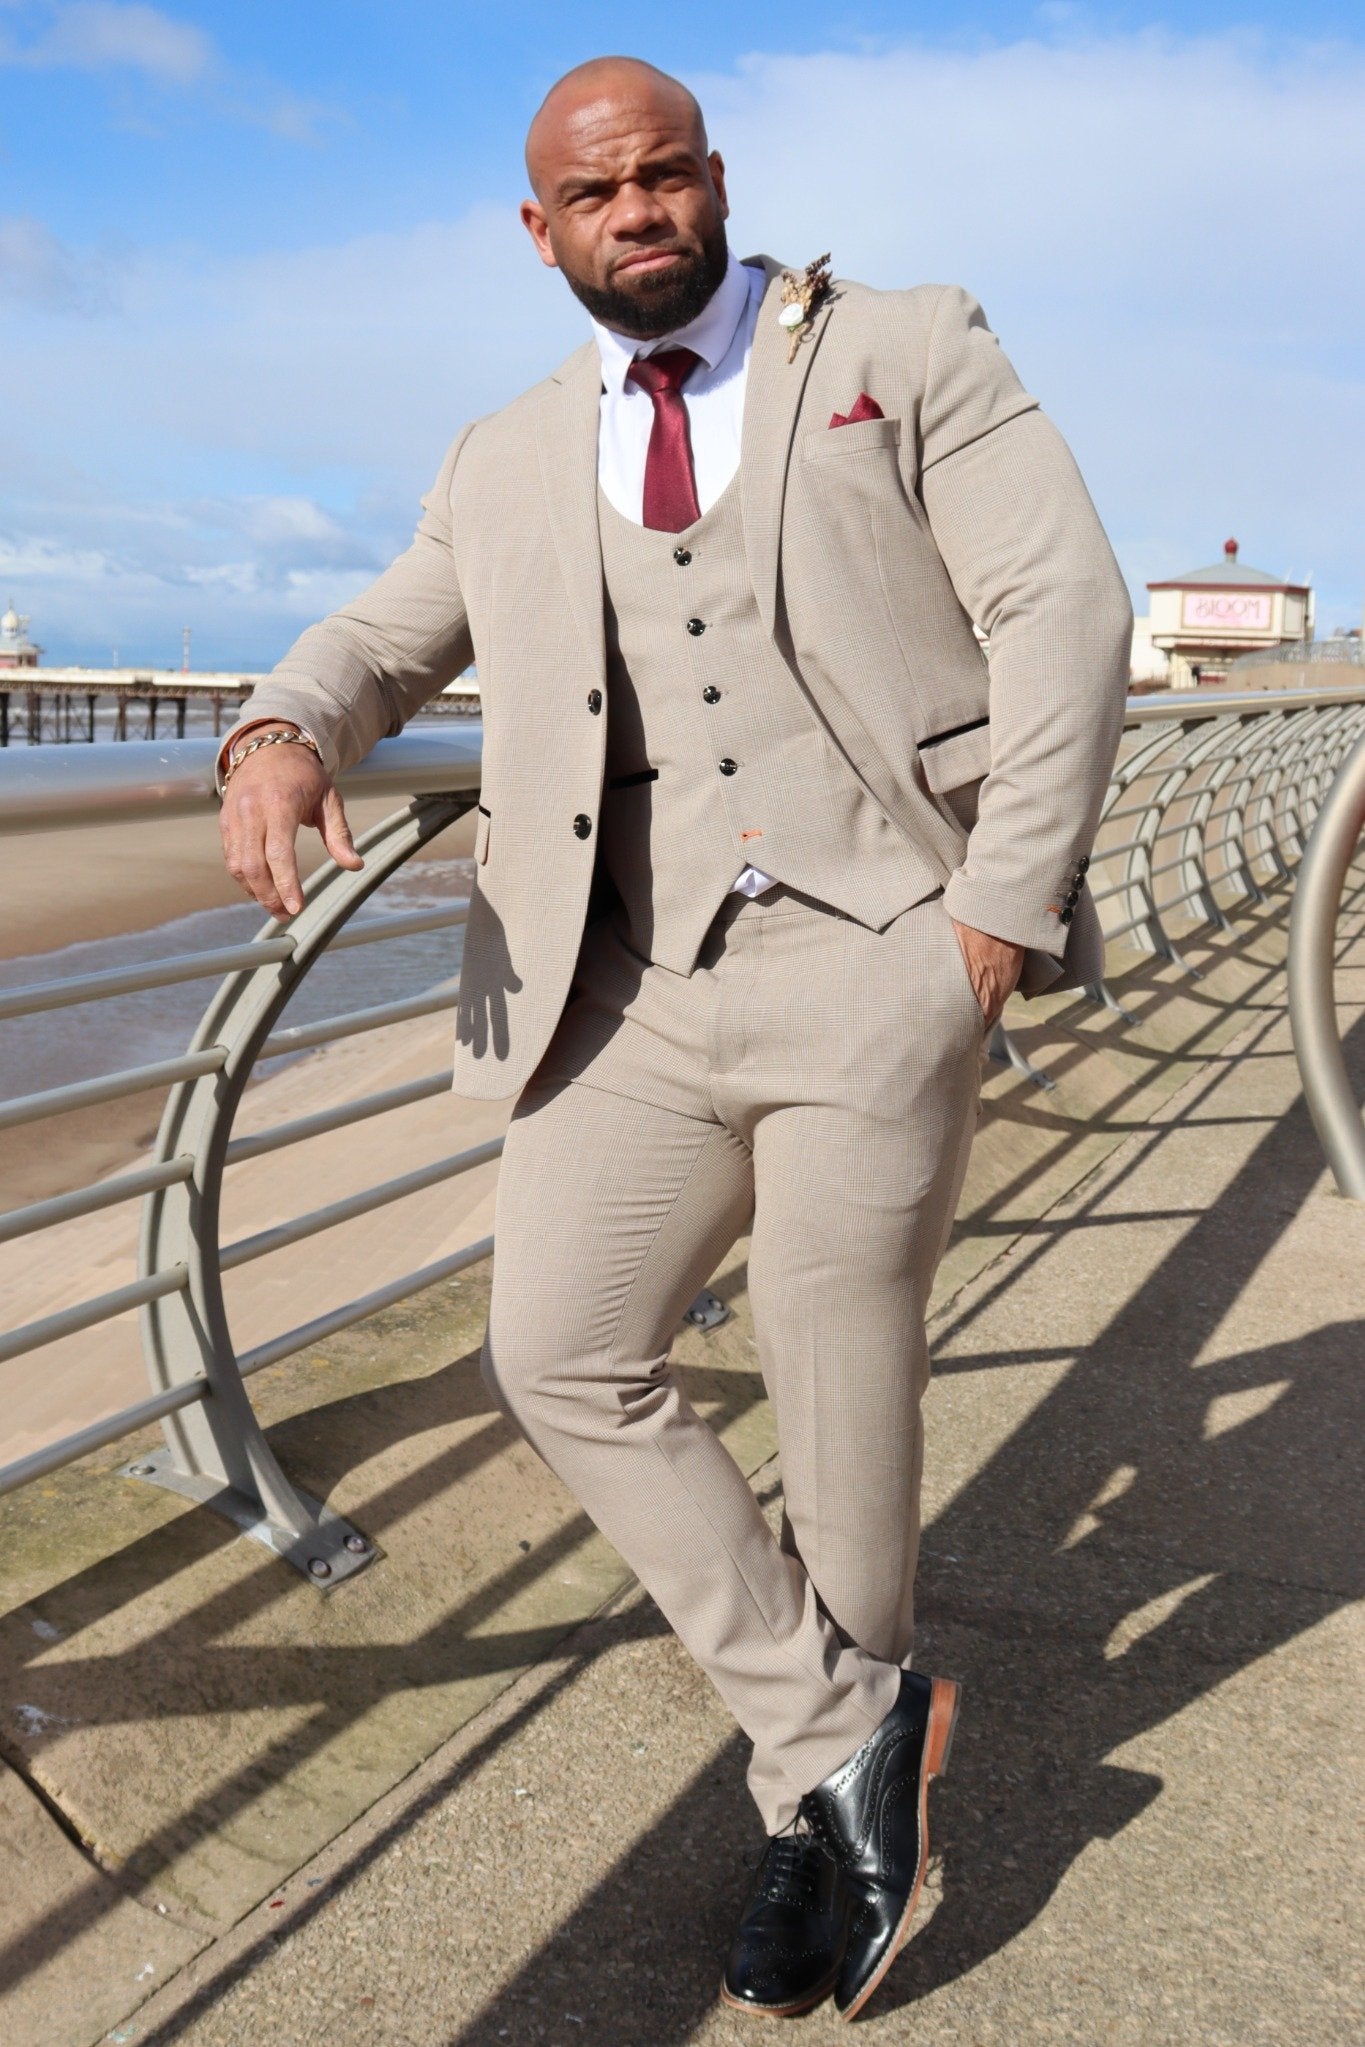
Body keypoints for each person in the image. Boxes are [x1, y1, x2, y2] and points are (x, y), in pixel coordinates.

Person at [217, 55, 1131, 2021]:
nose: (637, 211)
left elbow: (1059, 607)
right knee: (553, 1348)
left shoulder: (902, 342)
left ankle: (817, 1824)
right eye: (594, 193)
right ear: (535, 228)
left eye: (665, 175)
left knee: (832, 1392)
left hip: (882, 945)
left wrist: (994, 910)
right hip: (615, 985)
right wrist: (281, 732)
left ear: (712, 181)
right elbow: (382, 639)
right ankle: (842, 1729)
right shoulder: (503, 450)